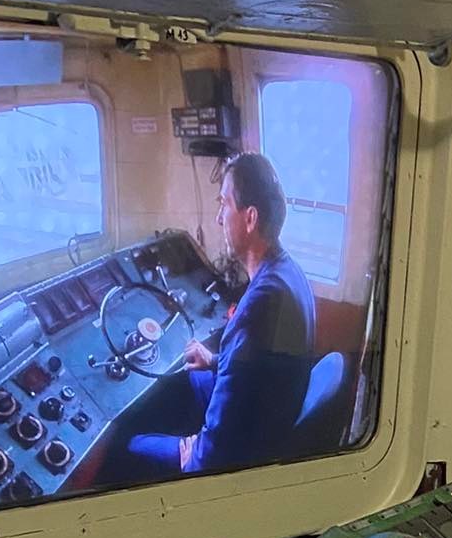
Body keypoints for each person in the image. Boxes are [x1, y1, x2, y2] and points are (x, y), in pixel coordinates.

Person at [125, 152, 316, 479]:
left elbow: (218, 450)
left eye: (224, 204)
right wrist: (214, 360)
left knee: (132, 446)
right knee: (193, 375)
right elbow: (259, 368)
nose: (218, 218)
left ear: (250, 218)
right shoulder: (288, 272)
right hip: (266, 411)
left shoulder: (259, 305)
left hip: (247, 451)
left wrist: (194, 453)